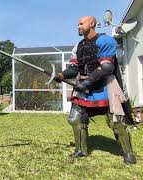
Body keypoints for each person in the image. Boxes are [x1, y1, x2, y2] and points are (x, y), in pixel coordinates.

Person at [54, 16, 136, 164]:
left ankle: (128, 153)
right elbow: (74, 69)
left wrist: (87, 83)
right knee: (75, 118)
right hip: (85, 89)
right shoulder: (78, 46)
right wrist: (62, 75)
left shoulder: (105, 41)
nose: (78, 26)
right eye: (77, 24)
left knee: (116, 121)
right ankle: (81, 150)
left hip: (105, 87)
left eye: (81, 23)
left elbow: (106, 68)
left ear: (92, 24)